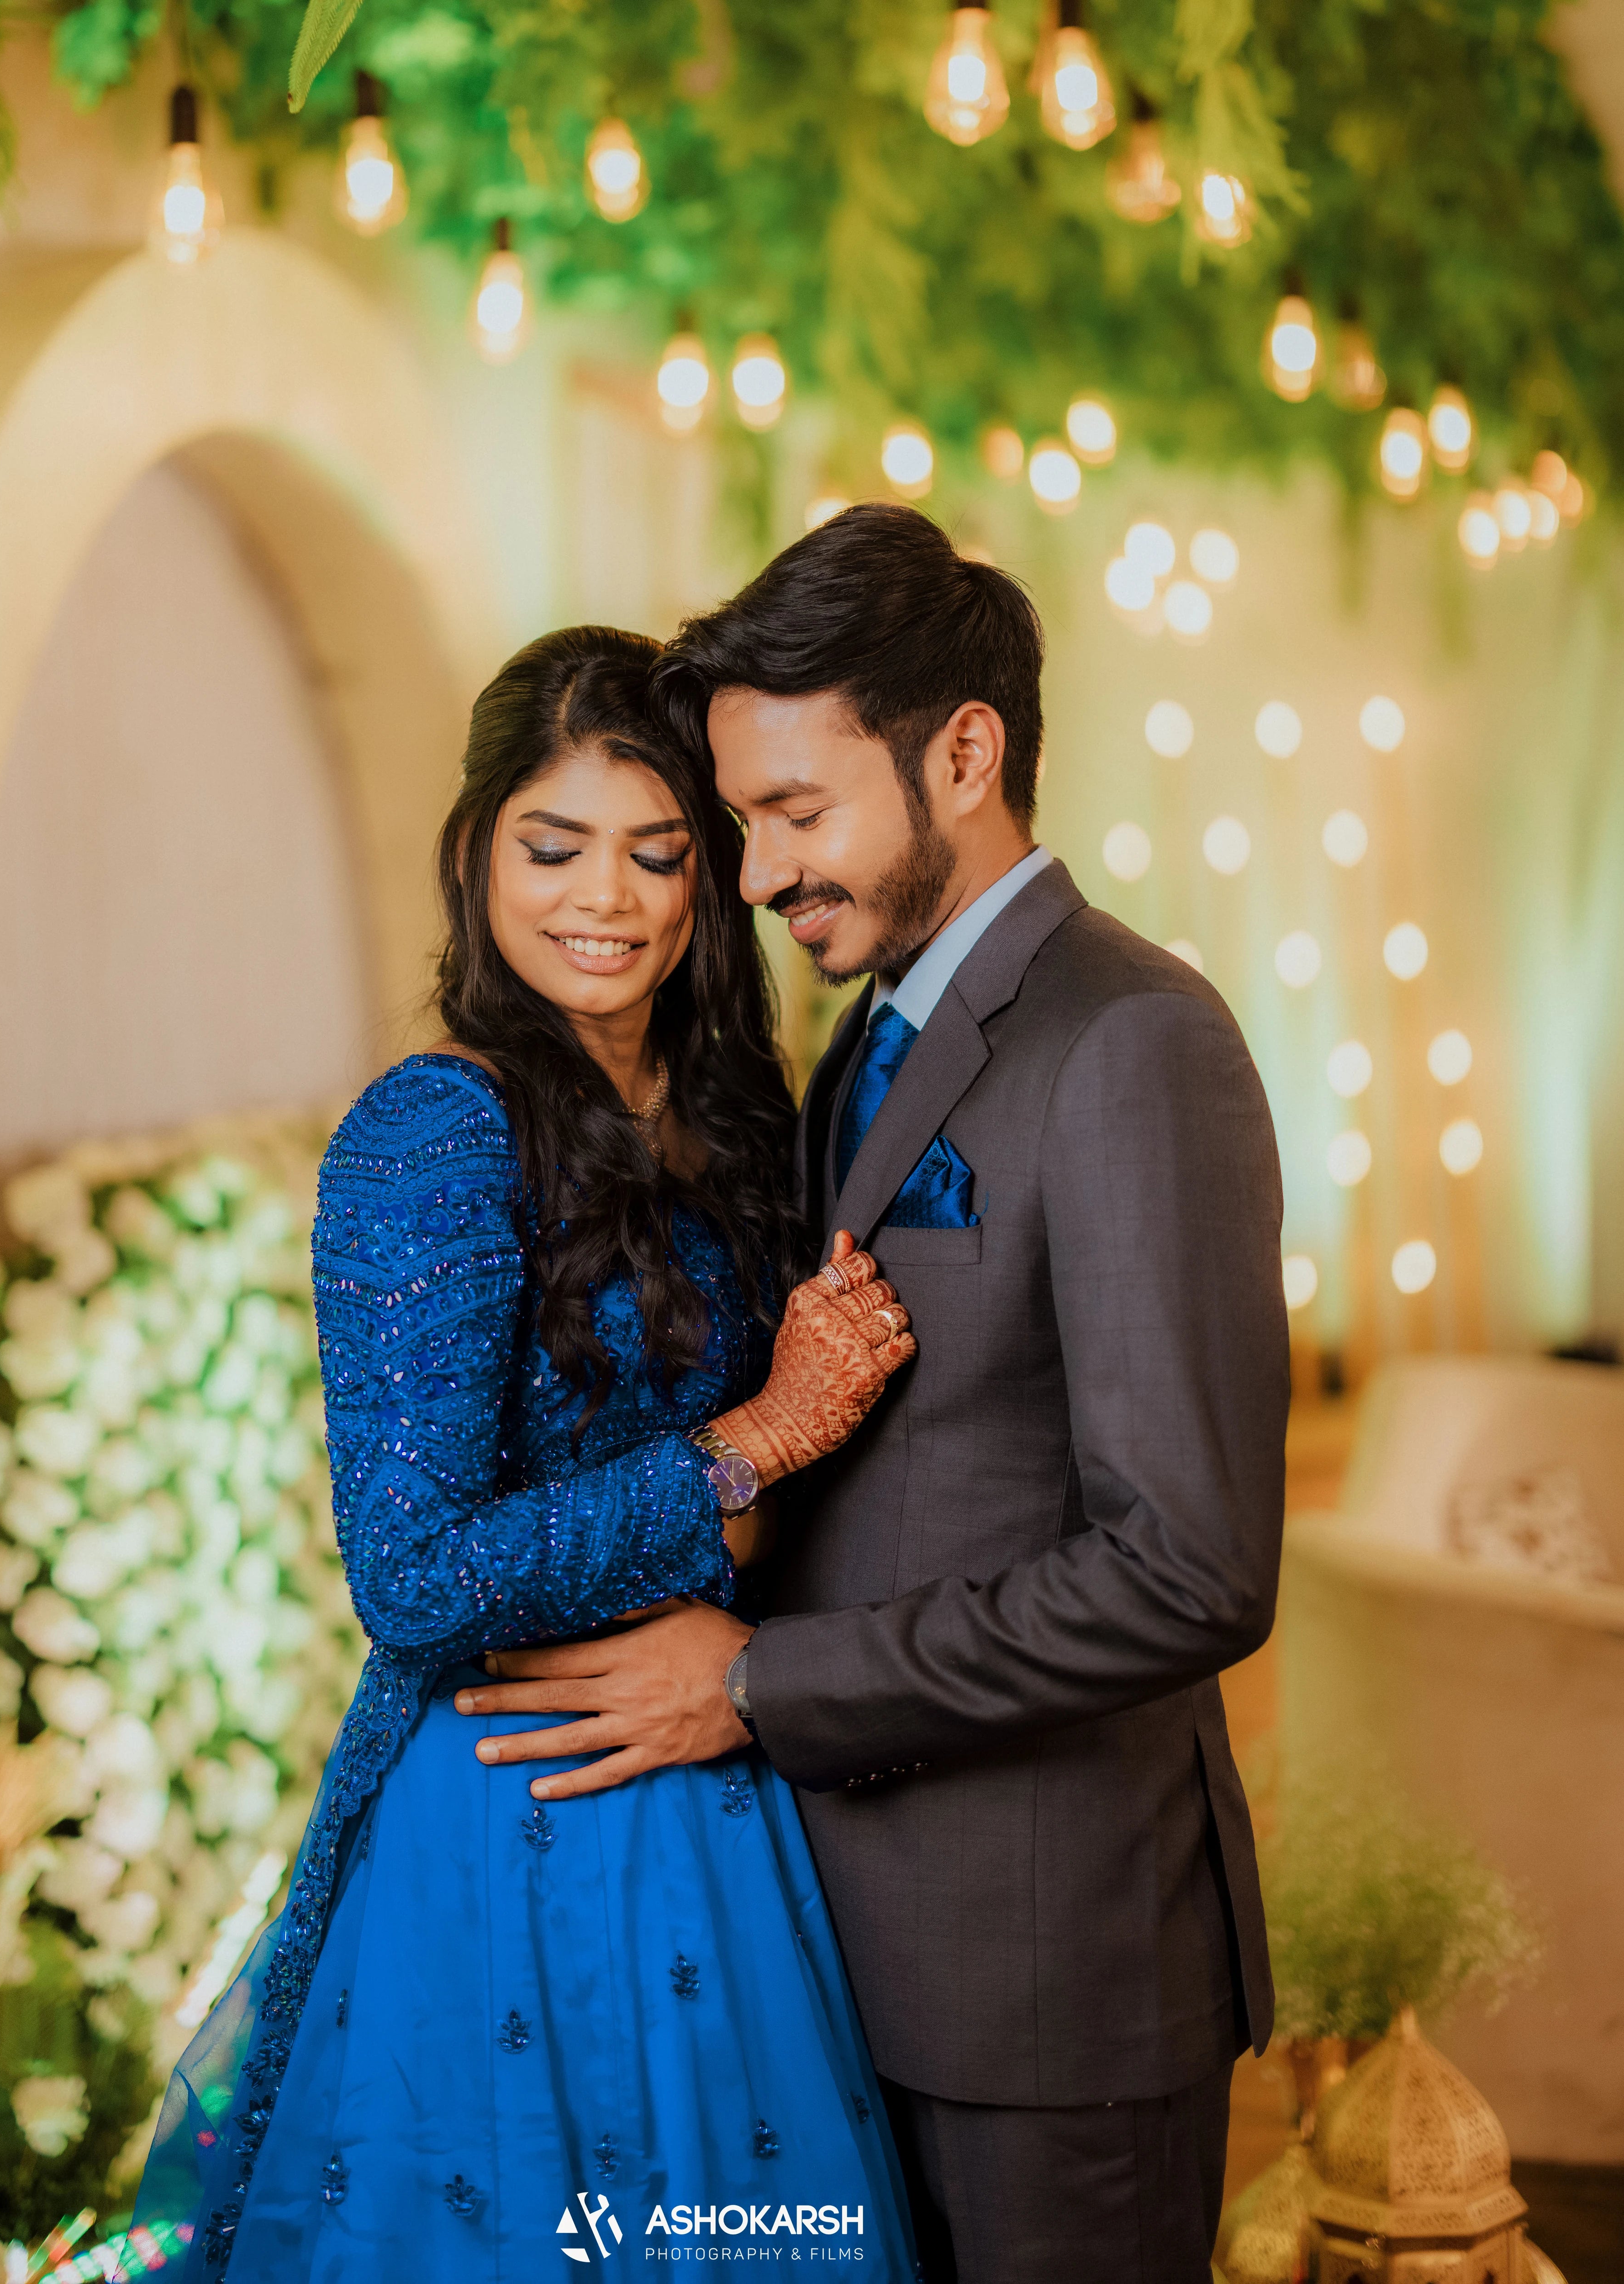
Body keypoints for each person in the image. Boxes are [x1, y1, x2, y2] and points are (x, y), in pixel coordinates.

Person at [457, 507, 1290, 2282]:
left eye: (794, 813)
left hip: (1045, 1991)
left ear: (964, 755)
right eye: (742, 823)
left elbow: (1189, 1571)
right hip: (840, 1957)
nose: (754, 874)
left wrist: (757, 1684)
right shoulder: (865, 1035)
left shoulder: (1132, 1039)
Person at [132, 625, 923, 2279]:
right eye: (552, 848)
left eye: (655, 853)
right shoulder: (434, 1130)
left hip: (722, 1779)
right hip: (511, 1804)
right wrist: (749, 1446)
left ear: (710, 873)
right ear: (476, 850)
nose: (604, 899)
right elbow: (413, 1579)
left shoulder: (738, 1118)